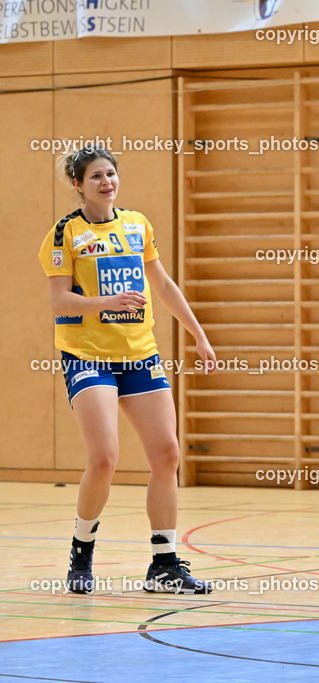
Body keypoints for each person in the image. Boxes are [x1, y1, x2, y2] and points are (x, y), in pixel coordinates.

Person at [38, 145, 216, 595]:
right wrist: (105, 303)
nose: (106, 182)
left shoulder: (137, 225)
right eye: (96, 176)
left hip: (140, 354)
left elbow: (163, 284)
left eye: (111, 174)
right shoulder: (65, 234)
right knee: (104, 459)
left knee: (167, 455)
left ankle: (164, 564)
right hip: (88, 355)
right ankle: (82, 552)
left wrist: (198, 334)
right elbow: (59, 301)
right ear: (78, 185)